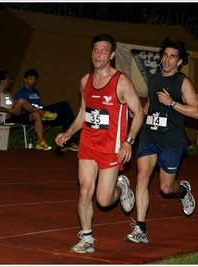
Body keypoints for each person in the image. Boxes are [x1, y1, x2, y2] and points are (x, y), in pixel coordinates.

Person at [55, 34, 145, 253]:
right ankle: (86, 239)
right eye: (96, 50)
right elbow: (84, 112)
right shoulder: (85, 81)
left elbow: (140, 112)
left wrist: (128, 142)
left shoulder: (121, 81)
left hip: (111, 148)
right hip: (88, 144)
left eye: (104, 50)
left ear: (112, 55)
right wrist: (69, 131)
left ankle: (120, 186)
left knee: (104, 200)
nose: (99, 54)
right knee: (85, 192)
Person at [124, 38, 198, 244]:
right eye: (165, 55)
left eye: (172, 57)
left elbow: (195, 111)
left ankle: (183, 191)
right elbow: (150, 103)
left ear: (179, 62)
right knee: (141, 178)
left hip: (171, 140)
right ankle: (141, 229)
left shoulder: (182, 82)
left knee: (166, 189)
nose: (167, 60)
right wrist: (139, 112)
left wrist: (172, 102)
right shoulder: (154, 79)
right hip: (150, 135)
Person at [0, 71, 57, 150]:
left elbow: (14, 106)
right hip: (5, 118)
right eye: (8, 79)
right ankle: (42, 113)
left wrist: (20, 111)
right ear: (1, 80)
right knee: (21, 100)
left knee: (36, 115)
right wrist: (10, 111)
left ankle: (40, 141)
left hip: (14, 116)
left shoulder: (8, 93)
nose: (10, 81)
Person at [15, 68, 78, 151]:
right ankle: (73, 135)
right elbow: (20, 108)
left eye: (34, 79)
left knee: (66, 114)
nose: (33, 81)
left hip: (44, 112)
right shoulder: (21, 93)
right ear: (25, 79)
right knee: (64, 104)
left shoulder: (36, 91)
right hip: (36, 114)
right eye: (30, 79)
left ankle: (68, 140)